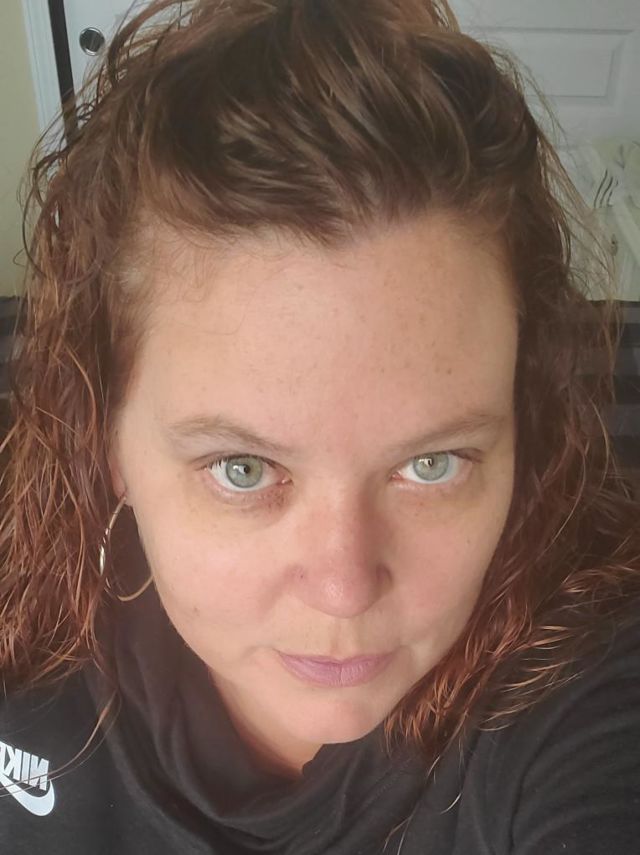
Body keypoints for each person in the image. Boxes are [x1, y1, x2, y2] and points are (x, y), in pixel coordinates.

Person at [1, 1, 639, 852]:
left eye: (434, 463)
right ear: (106, 436)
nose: (345, 589)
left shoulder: (584, 695)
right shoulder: (27, 627)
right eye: (243, 468)